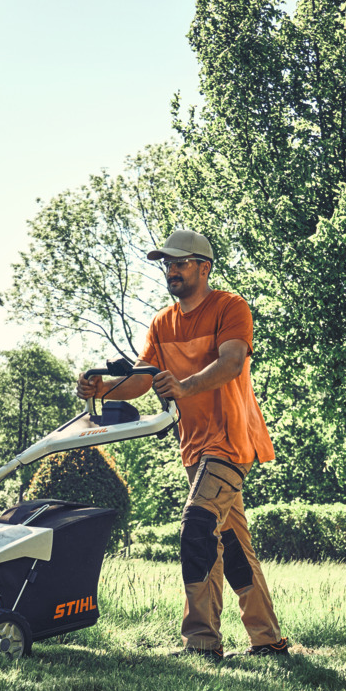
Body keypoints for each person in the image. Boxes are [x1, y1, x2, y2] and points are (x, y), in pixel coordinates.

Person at [79, 228, 291, 658]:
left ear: (203, 267)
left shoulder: (230, 307)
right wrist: (99, 389)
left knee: (196, 525)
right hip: (194, 449)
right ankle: (268, 640)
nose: (171, 271)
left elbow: (231, 362)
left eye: (180, 263)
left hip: (231, 440)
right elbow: (140, 381)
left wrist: (185, 385)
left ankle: (201, 642)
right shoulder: (162, 322)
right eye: (167, 265)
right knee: (232, 544)